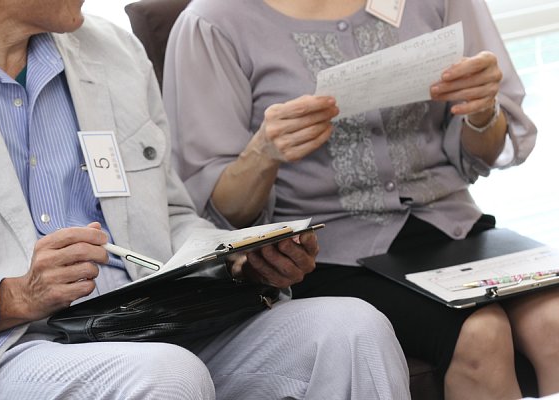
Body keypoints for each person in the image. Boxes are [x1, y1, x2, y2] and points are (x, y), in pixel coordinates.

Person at [0, 1, 412, 399]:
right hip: (8, 347)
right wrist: (14, 297)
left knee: (353, 329)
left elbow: (171, 214)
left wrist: (236, 260)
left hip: (153, 319)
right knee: (168, 374)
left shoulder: (115, 51)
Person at [163, 0, 559, 398]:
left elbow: (483, 154)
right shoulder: (212, 24)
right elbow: (214, 214)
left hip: (451, 225)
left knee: (554, 322)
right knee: (481, 334)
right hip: (325, 253)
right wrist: (263, 152)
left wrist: (483, 111)